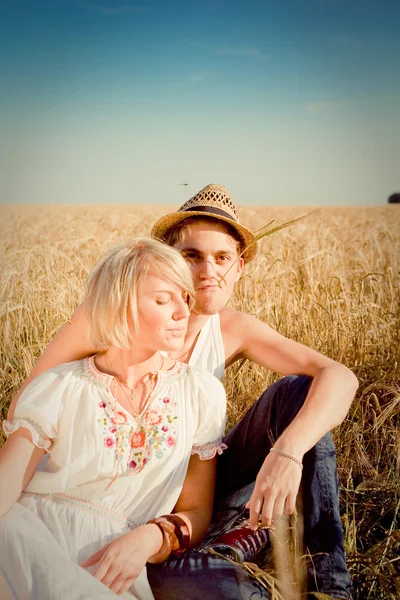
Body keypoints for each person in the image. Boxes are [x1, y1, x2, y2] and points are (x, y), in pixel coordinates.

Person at [6, 184, 359, 600]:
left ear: (239, 268)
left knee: (299, 392)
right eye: (192, 255)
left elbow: (340, 377)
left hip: (191, 487)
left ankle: (329, 585)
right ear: (167, 259)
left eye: (222, 258)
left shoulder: (231, 331)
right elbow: (31, 403)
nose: (209, 270)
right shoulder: (106, 320)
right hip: (107, 494)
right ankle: (229, 548)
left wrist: (288, 452)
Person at [0, 238, 228, 600]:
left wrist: (151, 538)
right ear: (120, 305)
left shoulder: (201, 394)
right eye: (163, 299)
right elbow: (5, 488)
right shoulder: (60, 385)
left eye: (184, 297)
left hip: (118, 565)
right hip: (29, 542)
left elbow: (197, 510)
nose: (184, 312)